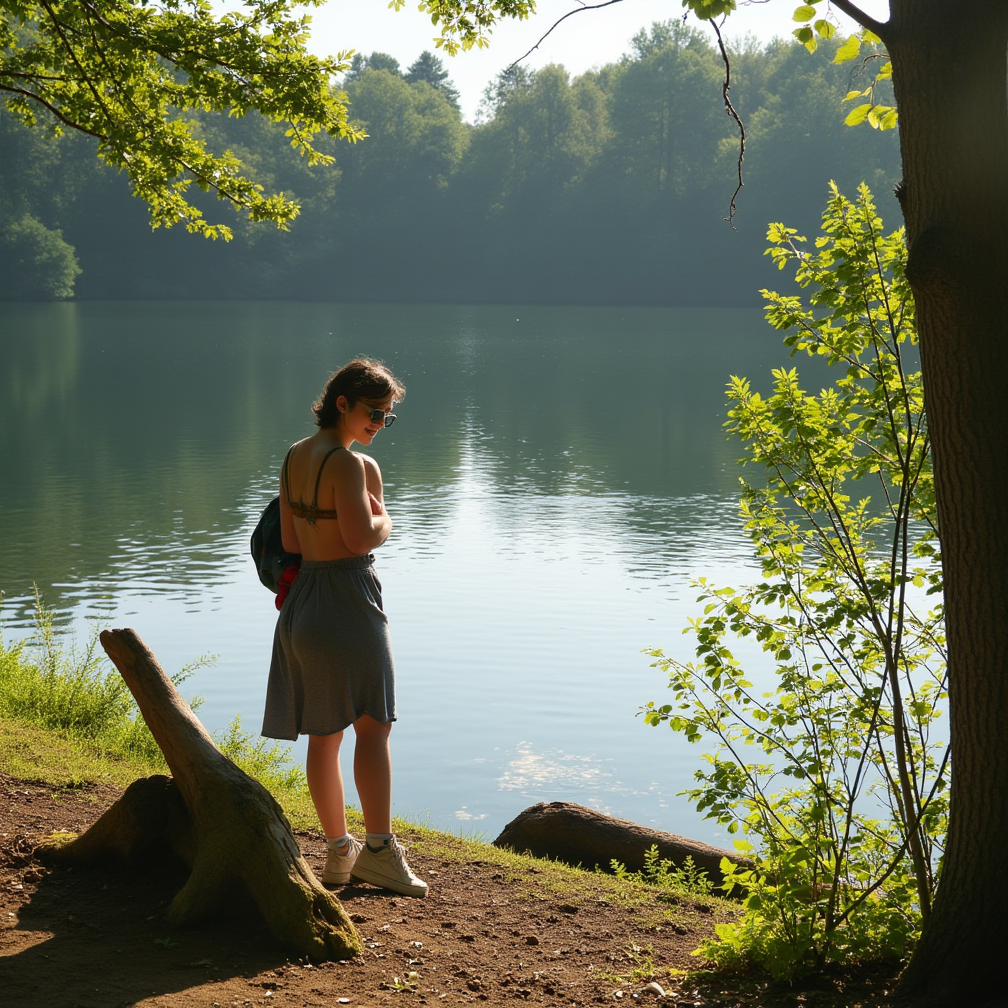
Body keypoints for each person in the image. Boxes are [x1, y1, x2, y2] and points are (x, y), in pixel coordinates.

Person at [261, 358, 427, 898]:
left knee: (323, 734)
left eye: (388, 416)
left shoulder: (294, 457)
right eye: (375, 412)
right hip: (348, 603)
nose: (380, 422)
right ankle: (379, 852)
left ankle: (337, 854)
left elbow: (289, 538)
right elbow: (361, 539)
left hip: (303, 605)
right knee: (373, 726)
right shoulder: (351, 466)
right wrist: (387, 518)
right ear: (342, 404)